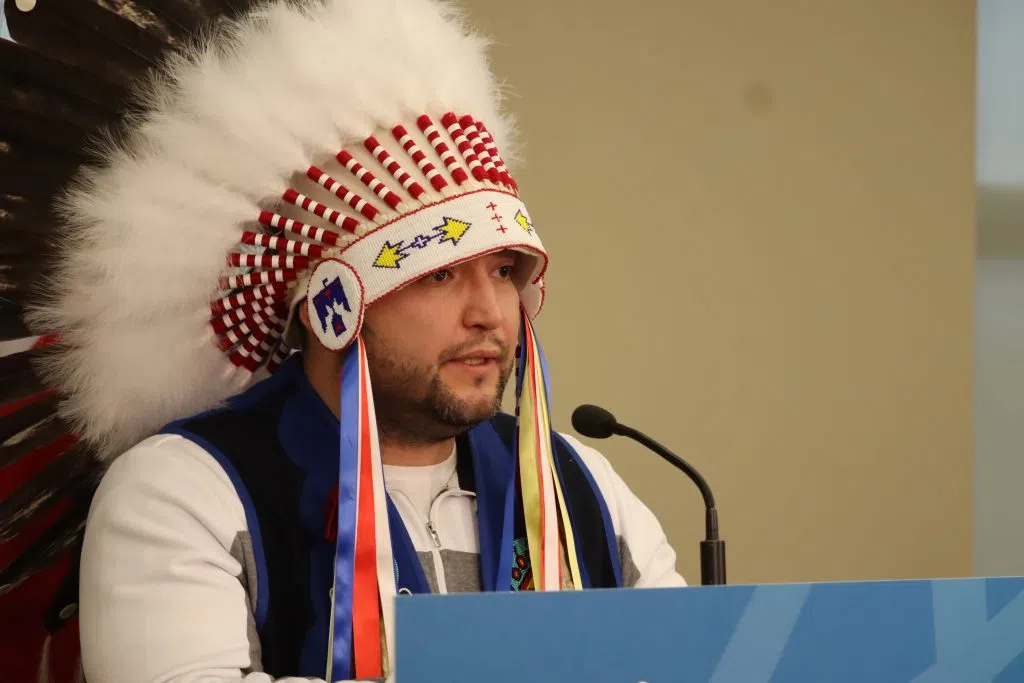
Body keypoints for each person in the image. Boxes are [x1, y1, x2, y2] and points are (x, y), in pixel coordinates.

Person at [0, 0, 685, 681]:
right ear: (334, 306)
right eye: (440, 273)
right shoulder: (184, 489)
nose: (489, 313)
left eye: (505, 271)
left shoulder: (581, 487)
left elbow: (692, 662)